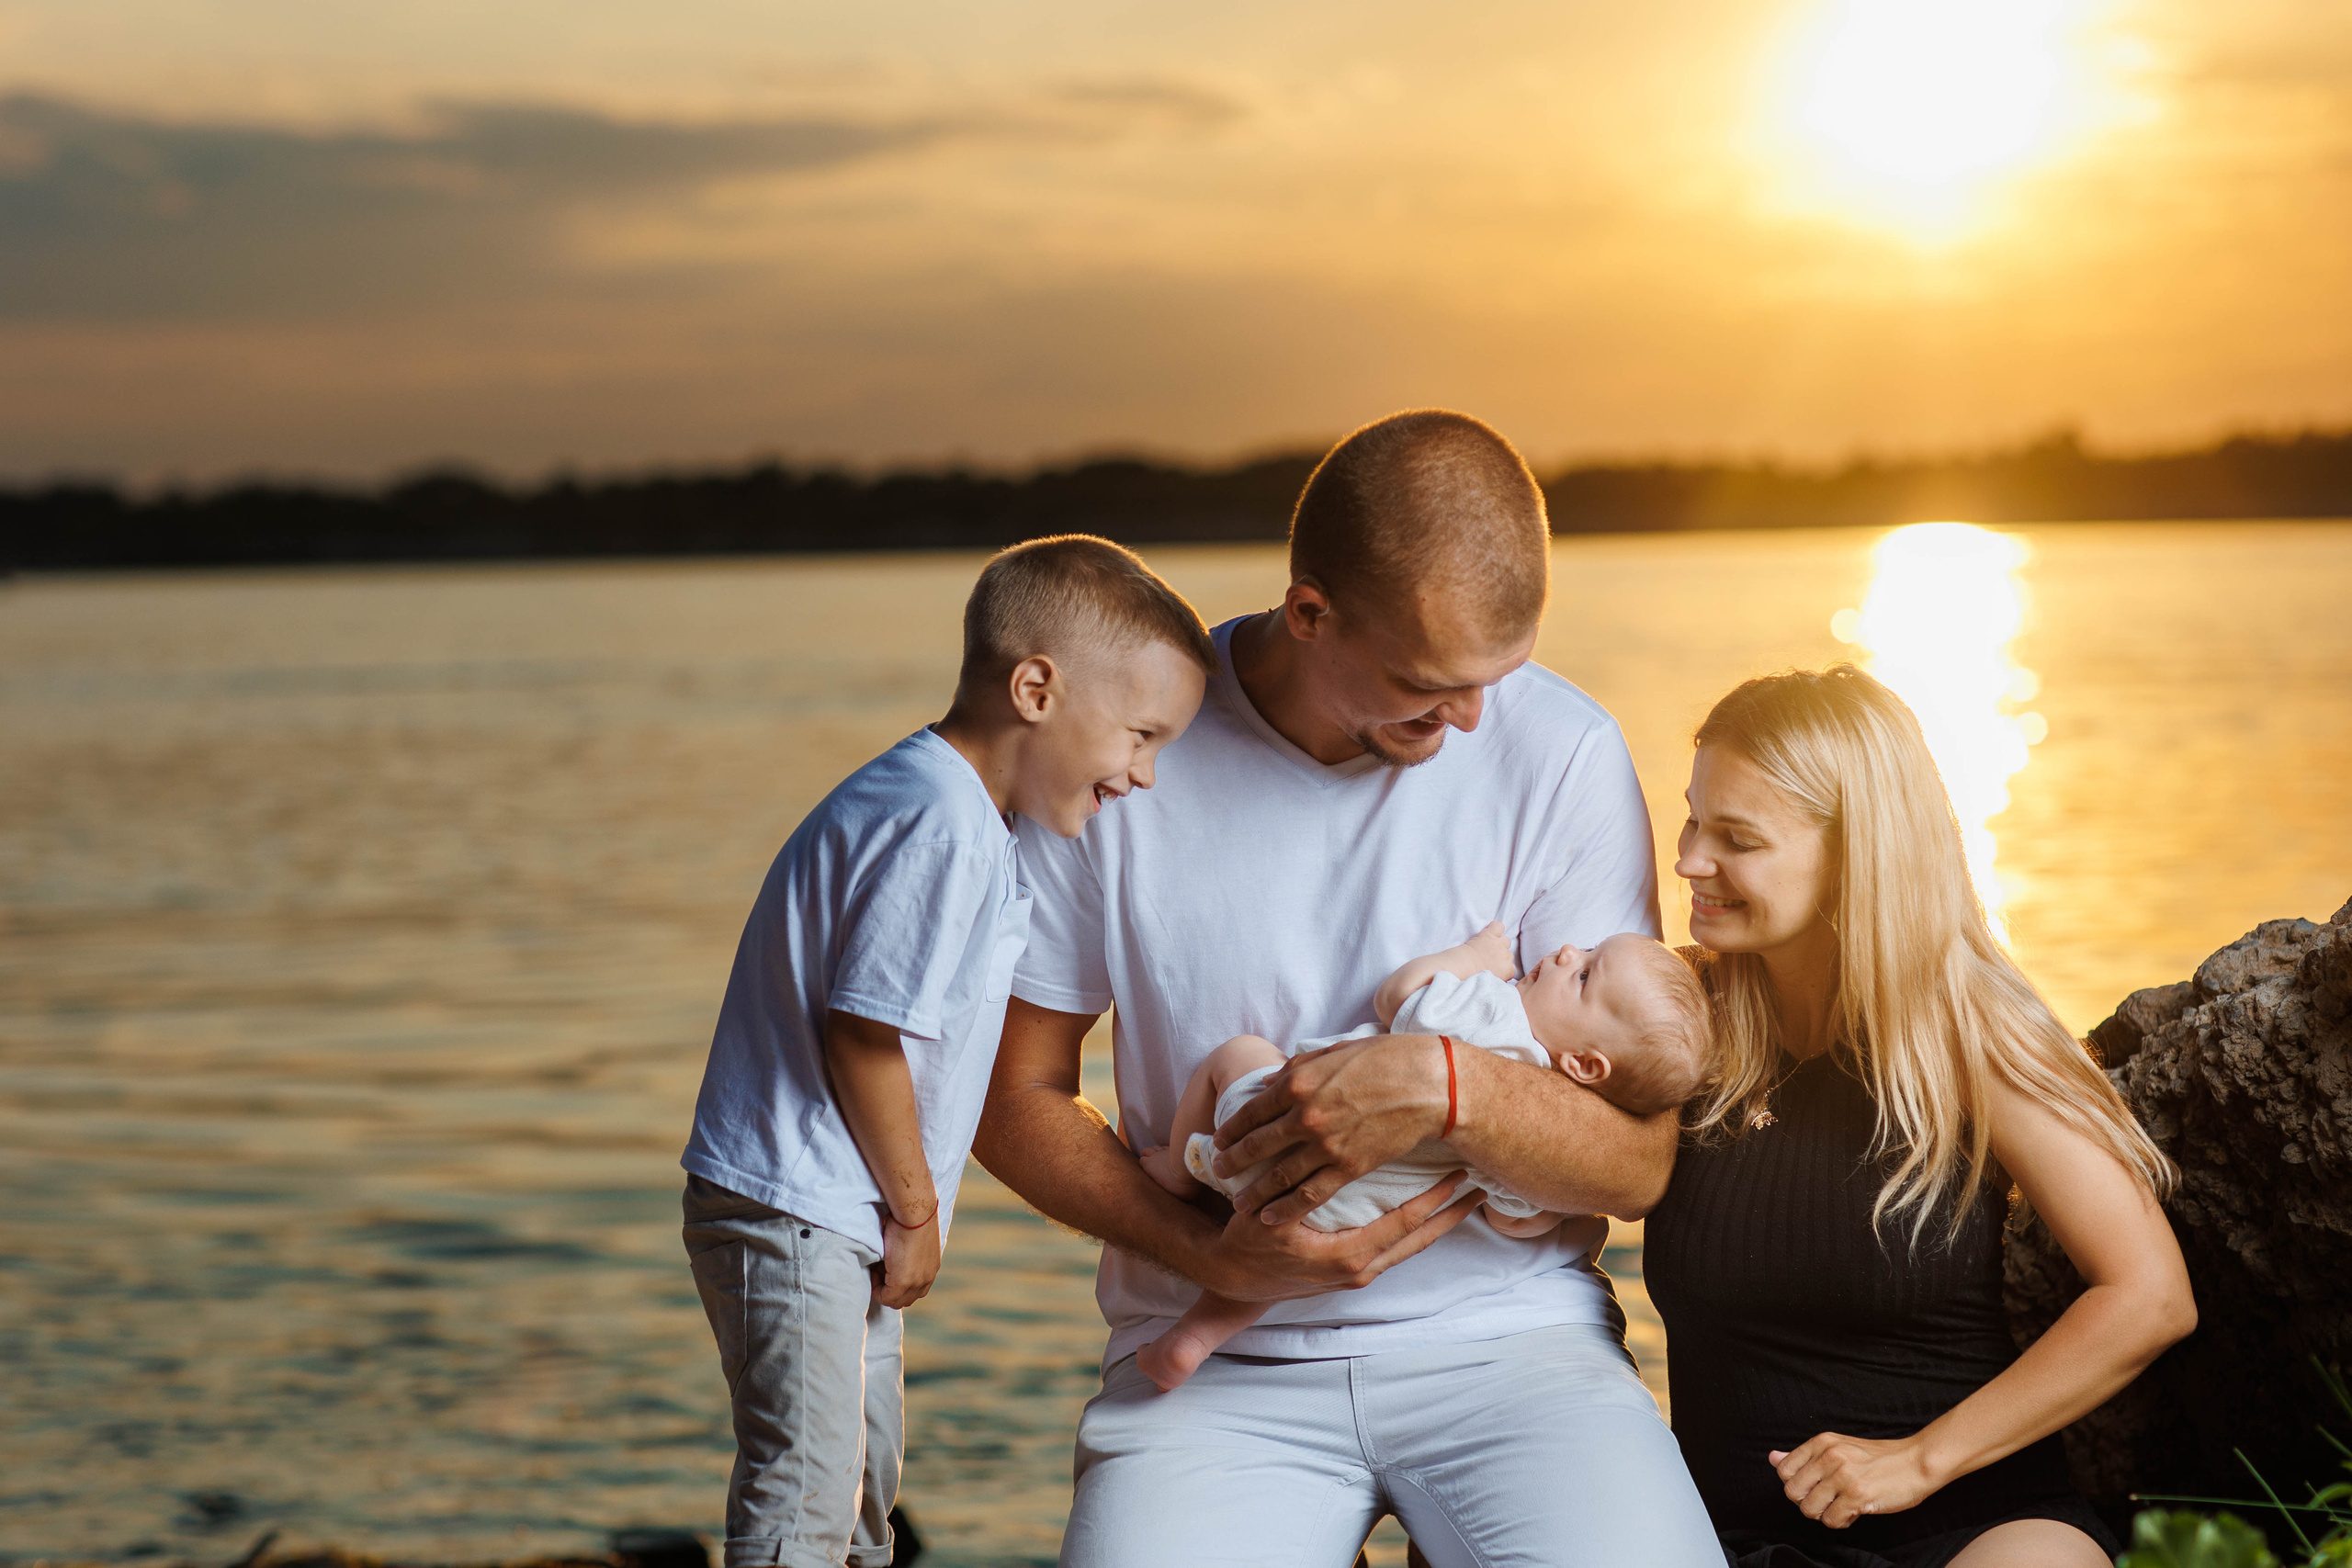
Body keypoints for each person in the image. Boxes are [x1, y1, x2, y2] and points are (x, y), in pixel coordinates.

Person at [976, 410, 1725, 1567]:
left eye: (1496, 679)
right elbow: (1012, 1090)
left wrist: (1444, 1084)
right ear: (1309, 611)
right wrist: (1211, 1260)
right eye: (1428, 683)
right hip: (1210, 1356)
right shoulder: (1118, 742)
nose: (1472, 719)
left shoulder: (1562, 749)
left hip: (1509, 1348)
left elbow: (1638, 1163)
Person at [677, 536, 1214, 1568]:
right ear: (1036, 688)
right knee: (806, 1494)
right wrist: (917, 1212)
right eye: (1141, 735)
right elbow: (865, 1035)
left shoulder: (955, 811)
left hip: (835, 1214)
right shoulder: (942, 828)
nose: (1144, 775)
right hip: (801, 1207)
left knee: (863, 1488)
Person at [1644, 666, 2197, 1568]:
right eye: (1692, 817)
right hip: (1716, 1539)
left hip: (1969, 1523)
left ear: (1854, 855)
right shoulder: (1680, 1018)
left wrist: (1917, 1462)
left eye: (1736, 838)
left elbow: (2148, 1294)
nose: (1690, 860)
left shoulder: (1968, 1034)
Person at [1132, 920, 1713, 1391]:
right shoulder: (1528, 1135)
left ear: (1587, 1065)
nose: (1564, 951)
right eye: (1583, 949)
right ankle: (1193, 1339)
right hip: (1347, 1224)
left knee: (1237, 1053)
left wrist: (1474, 957)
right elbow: (1513, 1219)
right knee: (1279, 1273)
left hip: (1271, 1134)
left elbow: (1398, 996)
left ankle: (1181, 1170)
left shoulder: (1498, 1016)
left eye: (1584, 974)